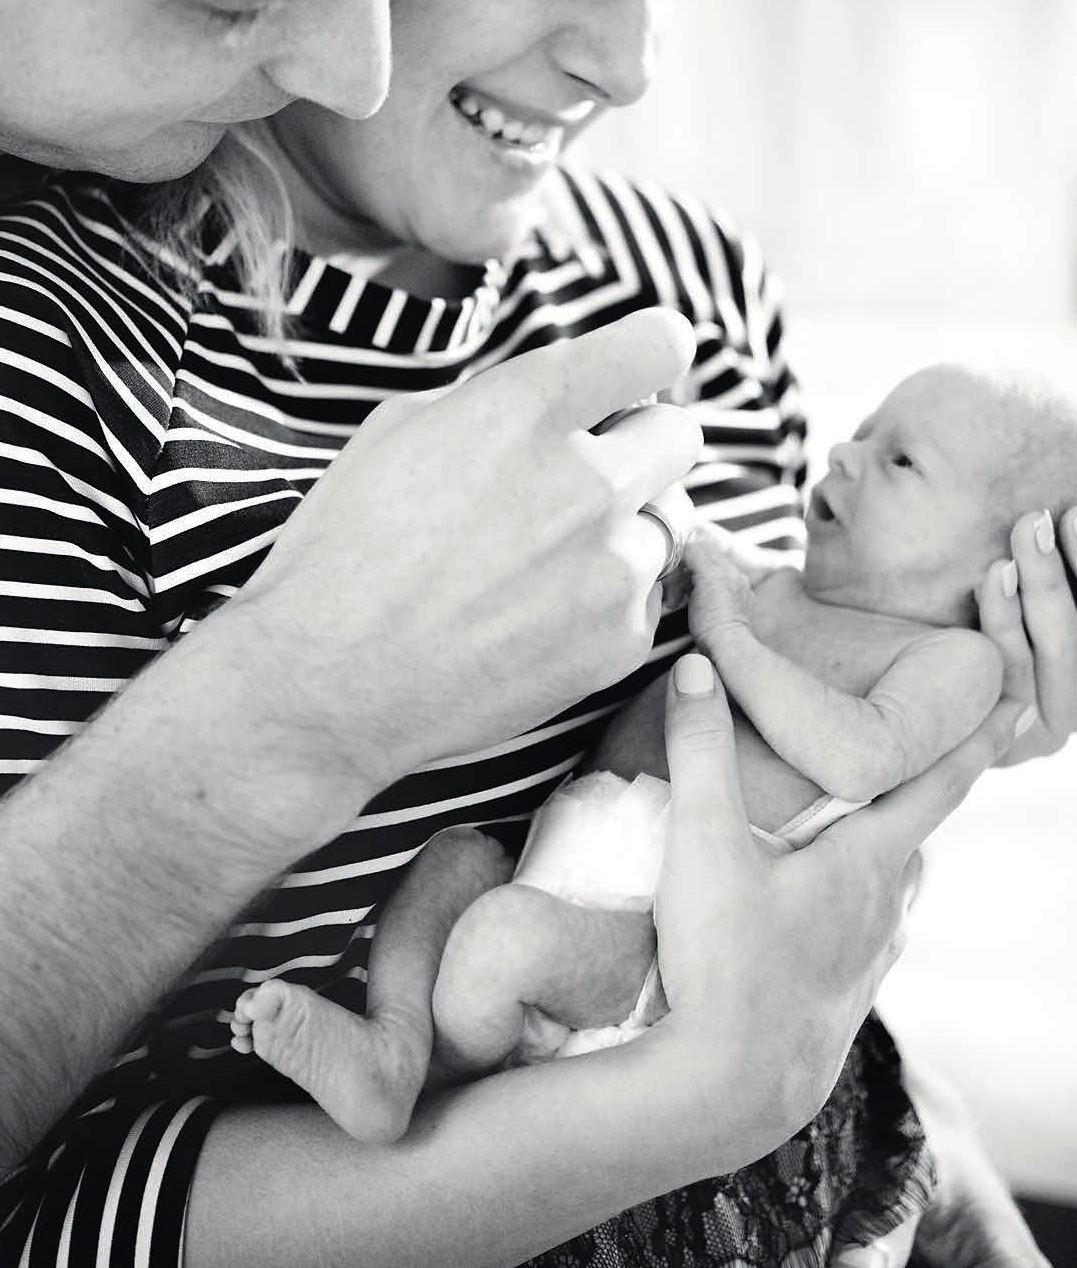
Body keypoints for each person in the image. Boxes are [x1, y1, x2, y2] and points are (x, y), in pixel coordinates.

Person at [0, 0, 1064, 1267]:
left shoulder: (688, 283)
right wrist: (689, 1104)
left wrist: (947, 696)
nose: (628, 65)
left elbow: (781, 941)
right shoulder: (59, 343)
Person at [227, 361, 1064, 1261]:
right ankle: (393, 1046)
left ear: (1006, 566)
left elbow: (859, 754)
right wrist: (658, 541)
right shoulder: (781, 587)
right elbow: (684, 553)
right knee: (453, 859)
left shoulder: (952, 660)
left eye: (901, 461)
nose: (844, 456)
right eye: (861, 431)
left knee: (502, 941)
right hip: (561, 857)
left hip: (664, 944)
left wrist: (730, 635)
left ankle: (436, 1077)